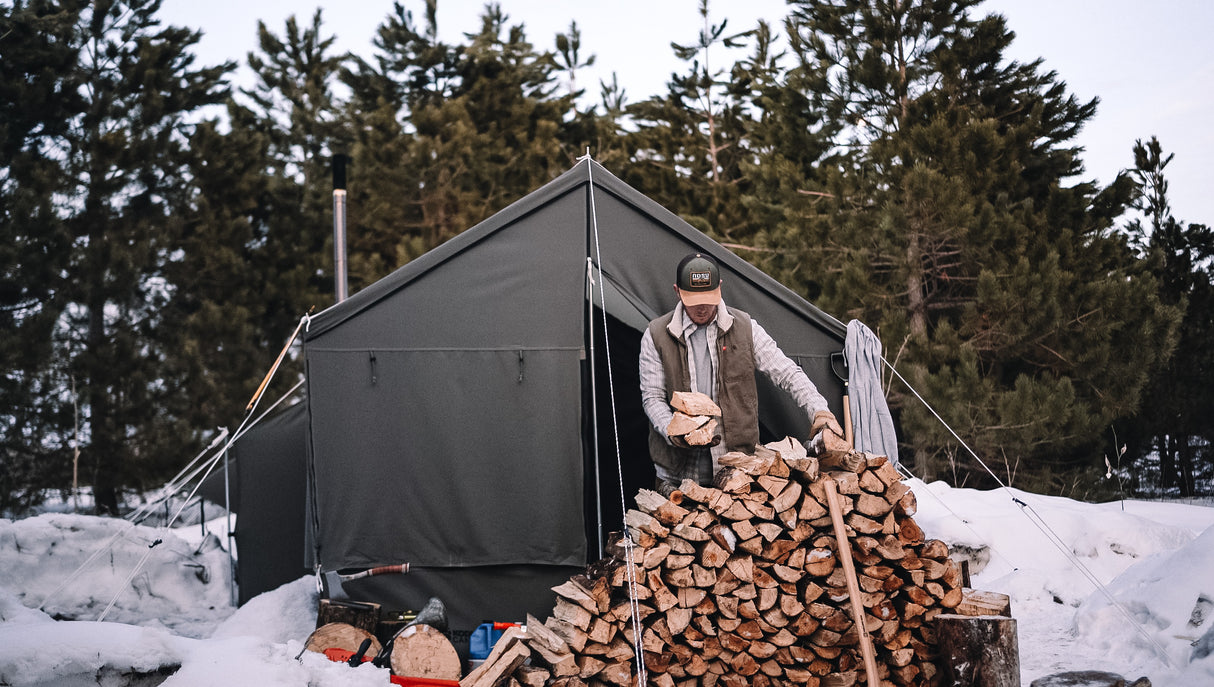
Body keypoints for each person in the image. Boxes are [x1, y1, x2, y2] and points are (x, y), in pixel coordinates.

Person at [639, 252, 843, 492]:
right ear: (677, 292)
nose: (702, 308)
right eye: (694, 301)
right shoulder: (656, 335)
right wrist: (673, 430)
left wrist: (818, 409)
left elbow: (787, 373)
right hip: (677, 474)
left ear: (720, 288)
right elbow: (652, 397)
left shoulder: (746, 329)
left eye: (708, 298)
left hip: (736, 471)